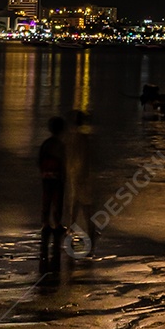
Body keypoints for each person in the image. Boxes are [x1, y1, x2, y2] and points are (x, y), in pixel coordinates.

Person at [64, 109, 97, 255]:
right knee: (84, 205)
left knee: (77, 204)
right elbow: (85, 159)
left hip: (76, 175)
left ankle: (73, 230)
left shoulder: (72, 138)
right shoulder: (82, 138)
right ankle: (89, 231)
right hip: (80, 176)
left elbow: (75, 158)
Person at [38, 115, 67, 271]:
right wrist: (64, 175)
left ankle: (45, 223)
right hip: (56, 176)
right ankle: (56, 223)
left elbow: (40, 159)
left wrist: (42, 171)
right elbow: (63, 162)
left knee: (46, 198)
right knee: (57, 199)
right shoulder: (59, 145)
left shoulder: (46, 144)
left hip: (46, 176)